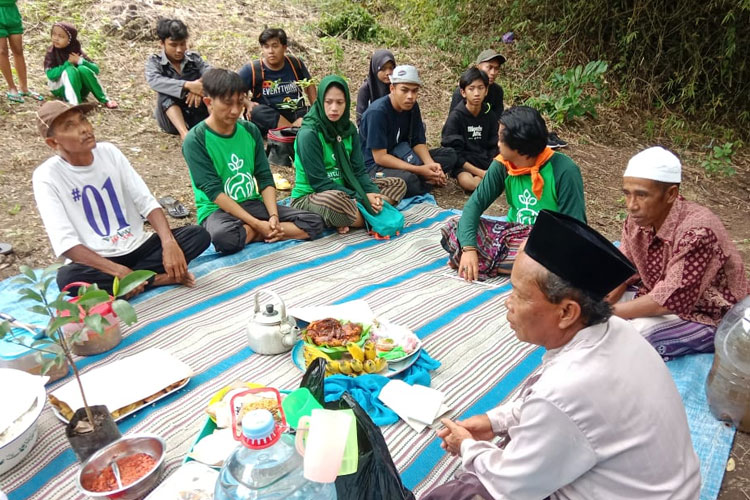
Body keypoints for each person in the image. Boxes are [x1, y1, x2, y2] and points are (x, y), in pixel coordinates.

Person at [425, 209, 701, 500]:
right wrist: (495, 421)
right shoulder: (618, 330)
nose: (508, 303)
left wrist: (466, 446)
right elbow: (558, 414)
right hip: (668, 487)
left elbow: (511, 484)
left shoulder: (566, 389)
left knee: (465, 493)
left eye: (518, 294)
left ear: (567, 312)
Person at [32, 101, 211, 296]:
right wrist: (116, 270)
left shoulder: (109, 152)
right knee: (68, 279)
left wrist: (169, 243)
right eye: (70, 126)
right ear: (53, 142)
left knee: (198, 235)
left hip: (136, 245)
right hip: (99, 259)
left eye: (83, 120)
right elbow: (65, 243)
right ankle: (156, 279)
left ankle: (131, 282)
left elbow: (146, 202)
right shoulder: (47, 176)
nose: (84, 129)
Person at [607, 146, 748, 359]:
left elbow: (669, 299)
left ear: (671, 194)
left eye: (642, 195)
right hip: (656, 291)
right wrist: (609, 293)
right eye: (627, 194)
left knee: (631, 337)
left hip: (707, 313)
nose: (631, 205)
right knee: (585, 297)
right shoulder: (638, 220)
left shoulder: (698, 231)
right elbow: (623, 263)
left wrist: (605, 312)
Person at [182, 68, 324, 254]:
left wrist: (273, 215)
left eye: (240, 102)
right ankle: (262, 232)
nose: (235, 111)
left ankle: (258, 232)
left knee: (315, 221)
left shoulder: (250, 130)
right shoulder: (196, 139)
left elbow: (264, 177)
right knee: (224, 238)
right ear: (209, 102)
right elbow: (213, 192)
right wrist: (258, 224)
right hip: (218, 210)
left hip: (252, 203)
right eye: (227, 103)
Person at [441, 106, 586, 281]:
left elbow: (575, 228)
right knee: (454, 227)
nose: (498, 143)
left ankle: (496, 263)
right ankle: (510, 266)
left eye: (502, 138)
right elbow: (475, 204)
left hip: (549, 240)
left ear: (519, 146)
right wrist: (469, 249)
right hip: (512, 236)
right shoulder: (503, 164)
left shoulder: (564, 169)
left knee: (563, 257)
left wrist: (538, 244)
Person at [291, 75, 406, 234]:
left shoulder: (349, 130)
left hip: (347, 188)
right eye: (328, 102)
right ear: (320, 101)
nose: (334, 108)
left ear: (347, 103)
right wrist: (363, 198)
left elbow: (358, 171)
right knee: (335, 201)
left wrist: (370, 192)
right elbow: (319, 183)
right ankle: (367, 213)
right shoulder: (309, 134)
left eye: (340, 102)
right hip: (313, 195)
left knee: (398, 184)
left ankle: (354, 216)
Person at [359, 64, 458, 198]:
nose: (410, 96)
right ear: (392, 88)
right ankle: (425, 181)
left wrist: (431, 165)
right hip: (375, 167)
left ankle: (427, 179)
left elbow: (418, 142)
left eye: (414, 91)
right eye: (404, 90)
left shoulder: (412, 107)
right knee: (408, 180)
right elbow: (380, 157)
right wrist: (420, 170)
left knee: (449, 155)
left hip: (403, 155)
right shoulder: (377, 113)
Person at [238, 28, 316, 135]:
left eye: (275, 46)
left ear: (284, 47)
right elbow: (232, 89)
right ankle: (293, 132)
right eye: (266, 47)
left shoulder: (295, 63)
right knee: (257, 112)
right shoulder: (252, 69)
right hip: (269, 116)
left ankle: (291, 133)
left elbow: (309, 84)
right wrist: (247, 103)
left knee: (314, 112)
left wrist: (315, 108)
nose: (271, 51)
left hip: (295, 112)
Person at [145, 18, 210, 140]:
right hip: (170, 121)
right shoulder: (155, 62)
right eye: (173, 45)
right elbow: (155, 81)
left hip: (196, 110)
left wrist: (198, 86)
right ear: (162, 43)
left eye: (182, 44)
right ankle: (184, 133)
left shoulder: (194, 59)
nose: (179, 50)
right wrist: (188, 85)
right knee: (164, 92)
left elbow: (211, 72)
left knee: (212, 87)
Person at [441, 68, 499, 192]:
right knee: (469, 183)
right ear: (463, 92)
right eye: (471, 89)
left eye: (481, 88)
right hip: (464, 163)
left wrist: (490, 166)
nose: (476, 93)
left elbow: (495, 144)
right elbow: (453, 151)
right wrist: (481, 173)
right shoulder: (456, 117)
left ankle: (485, 179)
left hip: (484, 160)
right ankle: (485, 180)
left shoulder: (490, 115)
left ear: (486, 90)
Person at [44, 22, 118, 108]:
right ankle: (74, 104)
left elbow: (96, 70)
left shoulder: (76, 51)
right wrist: (67, 64)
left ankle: (105, 99)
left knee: (83, 69)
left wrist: (80, 61)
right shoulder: (52, 52)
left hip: (80, 89)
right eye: (54, 34)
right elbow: (50, 75)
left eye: (61, 36)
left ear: (70, 40)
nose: (56, 38)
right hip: (60, 88)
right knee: (70, 70)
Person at [1, 0, 42, 103]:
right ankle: (12, 88)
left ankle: (24, 88)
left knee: (18, 50)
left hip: (11, 11)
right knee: (2, 51)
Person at [448, 49, 504, 116]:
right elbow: (454, 122)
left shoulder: (497, 91)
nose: (493, 73)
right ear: (478, 67)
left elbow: (499, 118)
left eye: (496, 68)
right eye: (489, 67)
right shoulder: (462, 92)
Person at [355, 49, 395, 125]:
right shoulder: (366, 89)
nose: (388, 73)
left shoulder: (396, 87)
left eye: (391, 68)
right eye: (383, 69)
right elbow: (360, 118)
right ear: (375, 69)